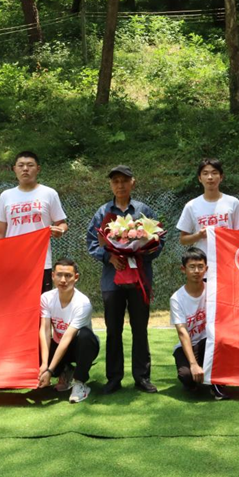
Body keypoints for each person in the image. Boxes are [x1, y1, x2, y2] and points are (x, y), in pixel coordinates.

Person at [86, 165, 162, 394]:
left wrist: (142, 252)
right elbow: (92, 241)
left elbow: (158, 240)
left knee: (140, 328)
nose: (120, 185)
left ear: (132, 183)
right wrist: (109, 257)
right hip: (112, 280)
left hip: (140, 278)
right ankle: (114, 378)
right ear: (111, 185)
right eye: (116, 181)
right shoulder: (102, 212)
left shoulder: (143, 211)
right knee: (113, 330)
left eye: (124, 181)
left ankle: (142, 377)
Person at [0, 151, 68, 293]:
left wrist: (61, 230)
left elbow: (61, 223)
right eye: (21, 165)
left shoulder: (49, 193)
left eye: (30, 165)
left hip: (41, 262)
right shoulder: (6, 196)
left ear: (38, 169)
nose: (25, 169)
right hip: (12, 263)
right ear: (14, 169)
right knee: (13, 302)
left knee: (41, 302)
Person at [38, 258, 100, 403]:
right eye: (59, 275)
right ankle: (66, 371)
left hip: (81, 347)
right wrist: (44, 365)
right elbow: (45, 331)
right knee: (36, 343)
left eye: (68, 276)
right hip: (59, 344)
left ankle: (80, 382)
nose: (63, 280)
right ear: (52, 276)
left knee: (85, 336)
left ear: (76, 277)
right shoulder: (46, 298)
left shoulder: (83, 303)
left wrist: (50, 370)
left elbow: (67, 338)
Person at [170, 248, 228, 400]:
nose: (196, 271)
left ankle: (216, 384)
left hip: (209, 342)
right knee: (186, 376)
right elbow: (182, 332)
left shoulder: (213, 291)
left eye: (200, 266)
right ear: (183, 269)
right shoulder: (177, 298)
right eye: (192, 267)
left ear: (206, 269)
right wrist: (193, 364)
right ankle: (196, 379)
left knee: (223, 341)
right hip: (189, 345)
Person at [177, 158, 239, 256]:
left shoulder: (233, 202)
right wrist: (199, 235)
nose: (210, 177)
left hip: (228, 258)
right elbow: (183, 240)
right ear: (199, 178)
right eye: (205, 173)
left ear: (221, 177)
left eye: (214, 173)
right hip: (203, 260)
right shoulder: (191, 206)